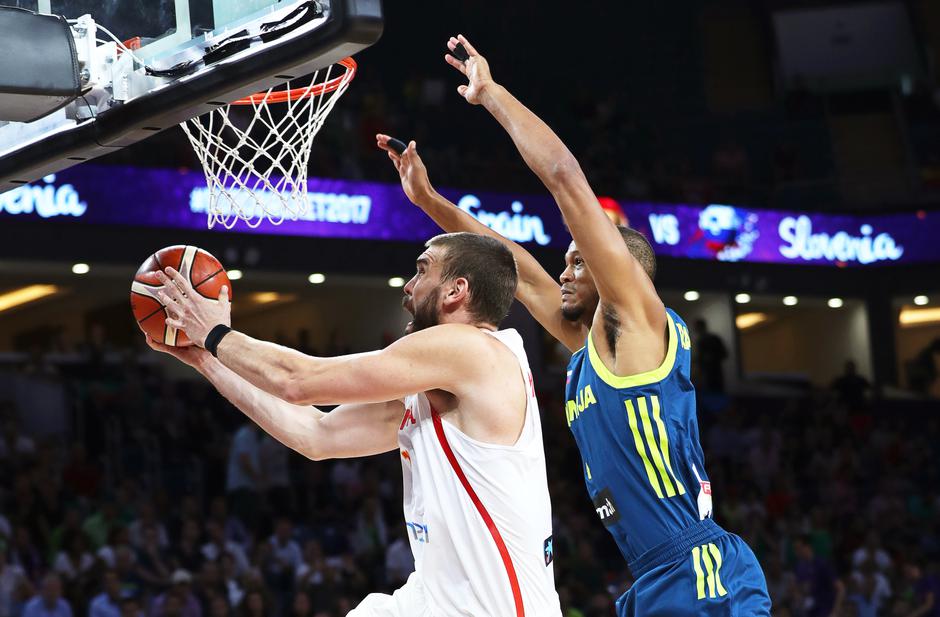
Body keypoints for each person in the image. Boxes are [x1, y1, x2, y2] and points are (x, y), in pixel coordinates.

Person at [376, 33, 771, 616]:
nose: (564, 271)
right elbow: (511, 266)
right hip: (651, 576)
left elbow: (563, 175)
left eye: (579, 260)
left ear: (624, 272)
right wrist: (432, 201)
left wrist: (491, 94)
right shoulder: (595, 348)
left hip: (697, 570)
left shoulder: (639, 325)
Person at [146, 231, 562, 616]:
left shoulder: (471, 349)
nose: (408, 286)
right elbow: (316, 435)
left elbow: (299, 382)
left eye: (421, 270)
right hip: (436, 598)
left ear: (457, 290)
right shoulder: (439, 388)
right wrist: (206, 360)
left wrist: (214, 332)